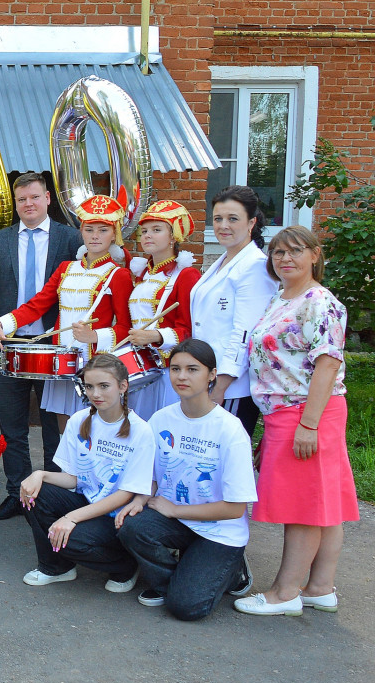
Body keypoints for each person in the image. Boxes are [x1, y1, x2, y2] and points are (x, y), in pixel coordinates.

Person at [235, 225, 357, 616]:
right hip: (287, 411)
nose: (285, 258)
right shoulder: (282, 297)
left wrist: (309, 423)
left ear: (315, 255)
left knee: (303, 505)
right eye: (277, 253)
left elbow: (327, 363)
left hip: (306, 410)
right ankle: (320, 587)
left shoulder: (319, 301)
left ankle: (285, 593)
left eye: (295, 251)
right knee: (323, 501)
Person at [0, 192, 131, 515]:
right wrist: (1, 322)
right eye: (89, 229)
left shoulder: (119, 276)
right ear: (81, 231)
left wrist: (96, 335)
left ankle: (97, 498)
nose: (94, 237)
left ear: (113, 234)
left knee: (95, 431)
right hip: (63, 365)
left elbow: (129, 327)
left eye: (102, 231)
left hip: (96, 366)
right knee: (68, 435)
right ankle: (63, 497)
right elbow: (37, 304)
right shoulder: (66, 268)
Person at [116, 339, 257, 620]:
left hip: (219, 530)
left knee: (187, 608)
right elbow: (152, 477)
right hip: (178, 522)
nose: (182, 376)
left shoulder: (230, 430)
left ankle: (232, 571)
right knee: (130, 526)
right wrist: (141, 499)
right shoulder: (160, 419)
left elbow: (235, 508)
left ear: (212, 375)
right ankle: (182, 577)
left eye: (193, 369)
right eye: (175, 368)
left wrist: (176, 510)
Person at [0, 172, 81, 520]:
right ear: (15, 203)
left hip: (53, 347)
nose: (28, 205)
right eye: (22, 200)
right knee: (14, 426)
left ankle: (50, 495)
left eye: (34, 197)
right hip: (8, 346)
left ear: (47, 198)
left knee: (54, 426)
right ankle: (17, 493)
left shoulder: (71, 238)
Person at [18, 354, 154, 592]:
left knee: (74, 540)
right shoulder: (79, 420)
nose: (96, 394)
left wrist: (71, 518)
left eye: (104, 386)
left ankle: (125, 566)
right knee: (32, 494)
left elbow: (125, 495)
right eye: (89, 386)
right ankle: (57, 567)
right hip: (87, 500)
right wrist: (40, 474)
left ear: (123, 386)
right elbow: (73, 478)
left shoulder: (141, 431)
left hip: (118, 517)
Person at [188, 186, 279, 437]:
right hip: (205, 378)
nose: (223, 225)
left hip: (231, 386)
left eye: (233, 219)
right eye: (218, 219)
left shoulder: (255, 267)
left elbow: (246, 333)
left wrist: (221, 387)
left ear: (251, 223)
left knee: (223, 458)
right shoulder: (223, 261)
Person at [121, 201, 201, 420]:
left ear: (173, 236)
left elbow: (189, 329)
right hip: (138, 366)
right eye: (144, 231)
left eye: (157, 230)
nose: (147, 235)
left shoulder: (186, 275)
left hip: (167, 369)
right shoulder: (141, 274)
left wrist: (155, 335)